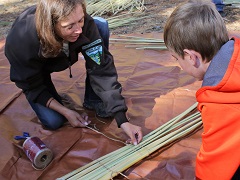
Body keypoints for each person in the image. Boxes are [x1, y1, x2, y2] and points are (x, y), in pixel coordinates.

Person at [4, 0, 142, 145]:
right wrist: (66, 111)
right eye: (69, 26)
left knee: (99, 25)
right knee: (54, 121)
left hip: (62, 55)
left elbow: (101, 69)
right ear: (51, 25)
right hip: (38, 70)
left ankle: (93, 98)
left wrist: (122, 119)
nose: (79, 30)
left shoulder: (83, 24)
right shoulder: (22, 40)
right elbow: (31, 85)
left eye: (80, 20)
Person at [163, 0, 240, 179]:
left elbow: (216, 166)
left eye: (176, 59)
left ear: (191, 57)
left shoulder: (220, 96)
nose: (179, 65)